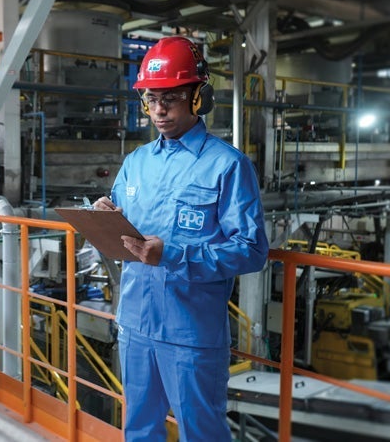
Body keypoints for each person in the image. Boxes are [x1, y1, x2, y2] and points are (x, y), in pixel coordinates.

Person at [93, 36, 269, 441]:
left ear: (197, 98)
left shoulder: (227, 166)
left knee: (201, 433)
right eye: (151, 99)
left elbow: (251, 250)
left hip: (190, 334)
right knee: (138, 429)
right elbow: (122, 229)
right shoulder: (135, 163)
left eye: (169, 99)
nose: (158, 110)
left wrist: (173, 255)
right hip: (136, 323)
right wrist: (106, 217)